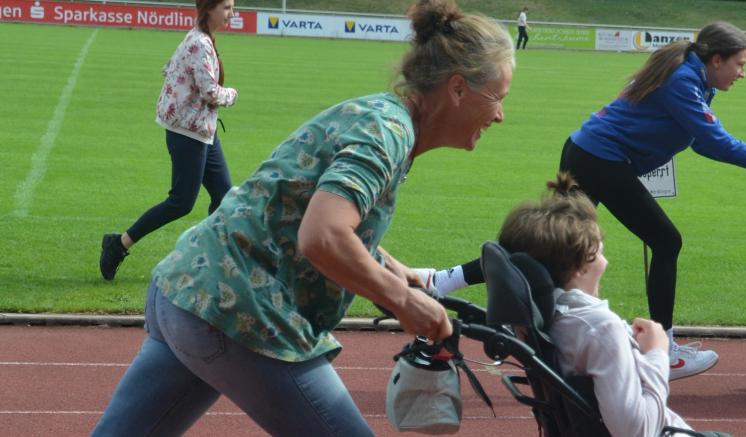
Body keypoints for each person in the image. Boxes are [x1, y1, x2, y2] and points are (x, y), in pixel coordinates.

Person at [90, 0, 514, 435]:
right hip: (237, 310)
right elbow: (323, 235)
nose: (500, 114)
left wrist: (395, 273)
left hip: (186, 291)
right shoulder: (387, 135)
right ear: (458, 88)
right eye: (498, 98)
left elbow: (298, 209)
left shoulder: (379, 117)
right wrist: (403, 302)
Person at [419, 21, 746, 380]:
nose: (742, 73)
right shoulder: (684, 80)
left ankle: (444, 280)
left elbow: (698, 141)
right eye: (739, 64)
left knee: (548, 243)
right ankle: (664, 351)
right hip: (601, 160)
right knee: (666, 241)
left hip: (590, 153)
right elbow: (713, 142)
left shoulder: (691, 76)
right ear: (716, 60)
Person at [498, 173, 720, 437]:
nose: (606, 262)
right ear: (580, 266)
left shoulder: (548, 320)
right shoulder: (600, 328)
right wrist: (658, 354)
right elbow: (636, 431)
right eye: (600, 253)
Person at [99, 0, 239, 281]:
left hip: (202, 130)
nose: (231, 13)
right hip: (188, 133)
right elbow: (211, 92)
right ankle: (119, 243)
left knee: (224, 196)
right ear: (208, 8)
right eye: (226, 7)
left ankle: (212, 260)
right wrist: (232, 94)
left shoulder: (201, 37)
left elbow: (170, 70)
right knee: (181, 202)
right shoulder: (199, 42)